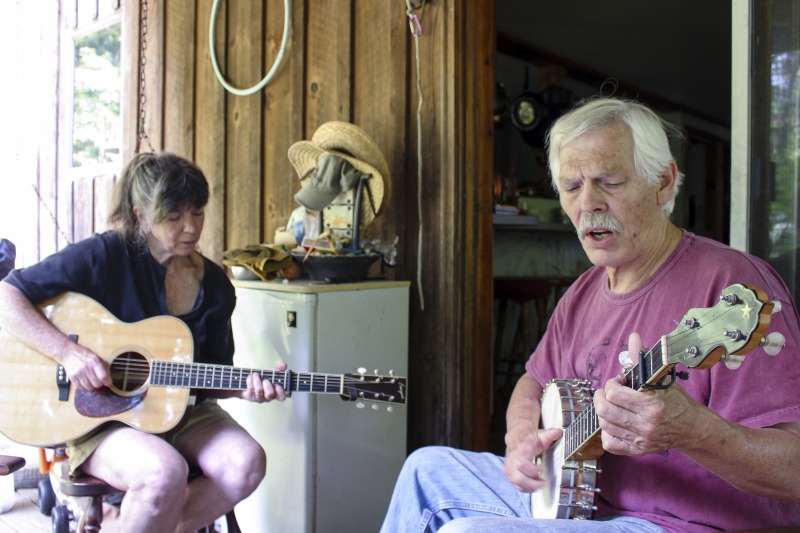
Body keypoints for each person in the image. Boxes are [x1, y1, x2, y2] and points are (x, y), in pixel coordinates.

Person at [380, 98, 800, 532]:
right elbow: (534, 381)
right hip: (580, 504)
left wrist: (690, 430)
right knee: (425, 469)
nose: (588, 203)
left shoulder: (734, 291)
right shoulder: (584, 290)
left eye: (610, 182)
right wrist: (523, 436)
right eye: (572, 186)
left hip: (678, 523)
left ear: (663, 182)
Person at [0, 152, 287, 532]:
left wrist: (248, 390)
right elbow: (7, 296)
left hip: (183, 410)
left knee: (246, 462)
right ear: (141, 215)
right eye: (173, 217)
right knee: (163, 473)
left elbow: (214, 375)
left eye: (197, 212)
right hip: (100, 417)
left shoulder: (216, 285)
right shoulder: (105, 254)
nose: (190, 227)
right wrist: (68, 353)